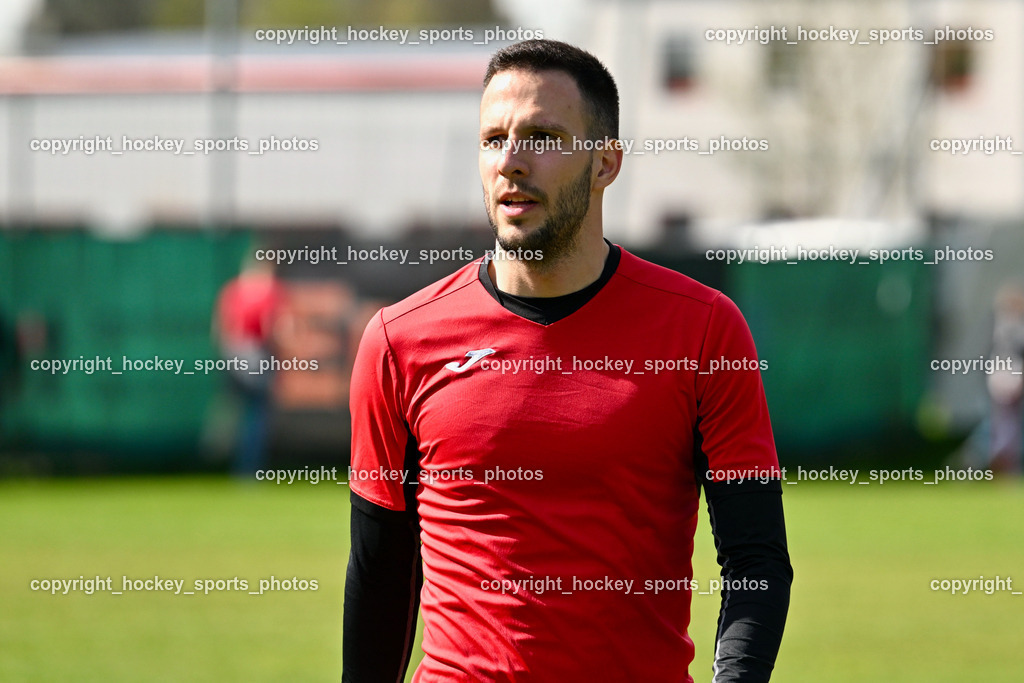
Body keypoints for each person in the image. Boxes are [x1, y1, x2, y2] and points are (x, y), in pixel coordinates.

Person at [344, 39, 792, 682]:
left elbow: (755, 561)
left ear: (605, 163)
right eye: (494, 138)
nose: (512, 161)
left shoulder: (702, 330)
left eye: (543, 137)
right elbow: (379, 576)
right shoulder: (398, 340)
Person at [212, 256, 287, 476]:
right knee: (258, 416)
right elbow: (273, 328)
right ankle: (249, 469)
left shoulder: (232, 290)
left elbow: (219, 329)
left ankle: (224, 458)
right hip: (257, 355)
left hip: (233, 353)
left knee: (236, 411)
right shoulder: (270, 291)